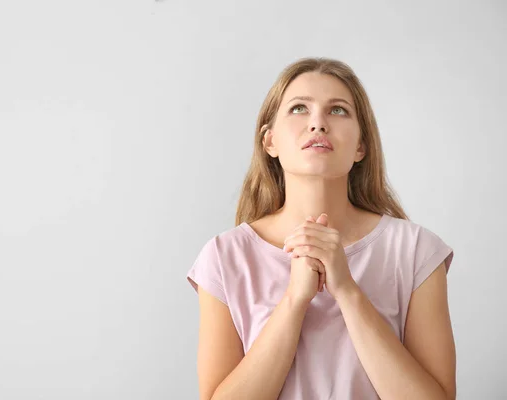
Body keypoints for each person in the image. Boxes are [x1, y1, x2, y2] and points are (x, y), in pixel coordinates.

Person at [186, 57, 456, 400]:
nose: (318, 124)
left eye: (338, 110)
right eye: (299, 108)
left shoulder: (417, 252)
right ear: (270, 142)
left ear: (361, 146)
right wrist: (295, 300)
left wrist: (347, 290)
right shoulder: (224, 258)